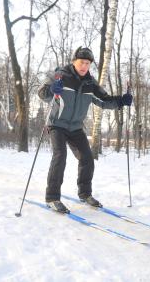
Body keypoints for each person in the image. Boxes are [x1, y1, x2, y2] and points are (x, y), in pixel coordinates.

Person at [37, 46, 133, 214]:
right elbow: (42, 93)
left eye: (88, 64)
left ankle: (85, 193)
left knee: (87, 157)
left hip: (75, 127)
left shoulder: (90, 83)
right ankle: (52, 197)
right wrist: (52, 90)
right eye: (82, 62)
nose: (84, 66)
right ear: (74, 61)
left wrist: (120, 101)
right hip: (57, 124)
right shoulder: (60, 75)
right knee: (60, 155)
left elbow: (103, 100)